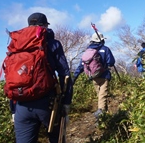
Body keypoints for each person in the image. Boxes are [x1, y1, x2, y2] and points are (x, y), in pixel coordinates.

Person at [12, 12, 73, 143]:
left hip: (22, 104)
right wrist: (66, 102)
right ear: (45, 25)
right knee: (57, 139)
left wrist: (13, 109)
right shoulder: (52, 43)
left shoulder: (17, 45)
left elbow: (12, 78)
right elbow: (65, 74)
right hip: (48, 104)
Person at [73, 32, 115, 119]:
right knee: (103, 95)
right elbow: (111, 62)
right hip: (104, 76)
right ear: (102, 40)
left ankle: (104, 116)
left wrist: (74, 78)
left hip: (93, 77)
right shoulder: (105, 49)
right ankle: (101, 115)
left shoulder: (88, 51)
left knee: (100, 96)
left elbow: (81, 65)